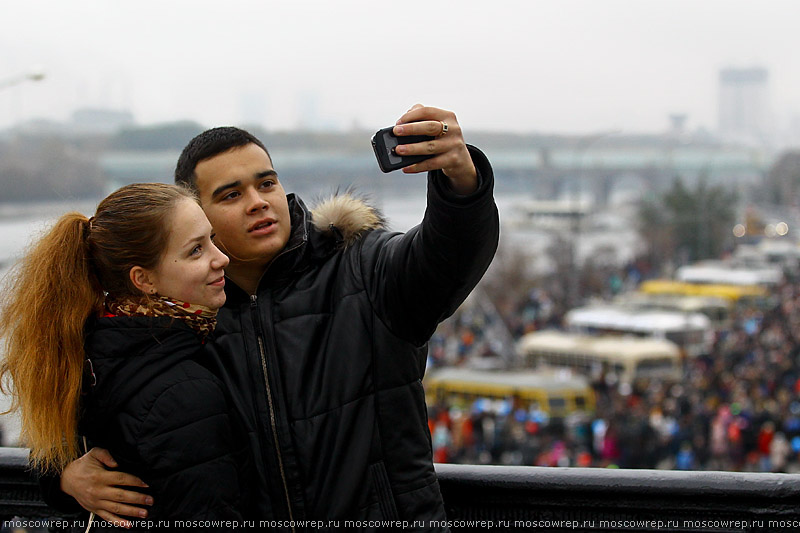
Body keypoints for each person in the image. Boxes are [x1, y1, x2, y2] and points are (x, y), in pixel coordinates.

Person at [47, 105, 499, 529]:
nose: (258, 201)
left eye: (266, 183)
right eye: (231, 194)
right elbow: (76, 413)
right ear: (195, 216)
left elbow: (448, 258)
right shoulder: (179, 321)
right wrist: (64, 476)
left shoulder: (362, 268)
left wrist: (461, 182)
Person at [0, 183, 255, 529]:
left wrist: (63, 476)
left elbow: (50, 443)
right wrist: (64, 476)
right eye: (196, 250)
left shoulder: (87, 345)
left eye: (211, 239)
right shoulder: (181, 391)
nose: (221, 257)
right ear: (143, 279)